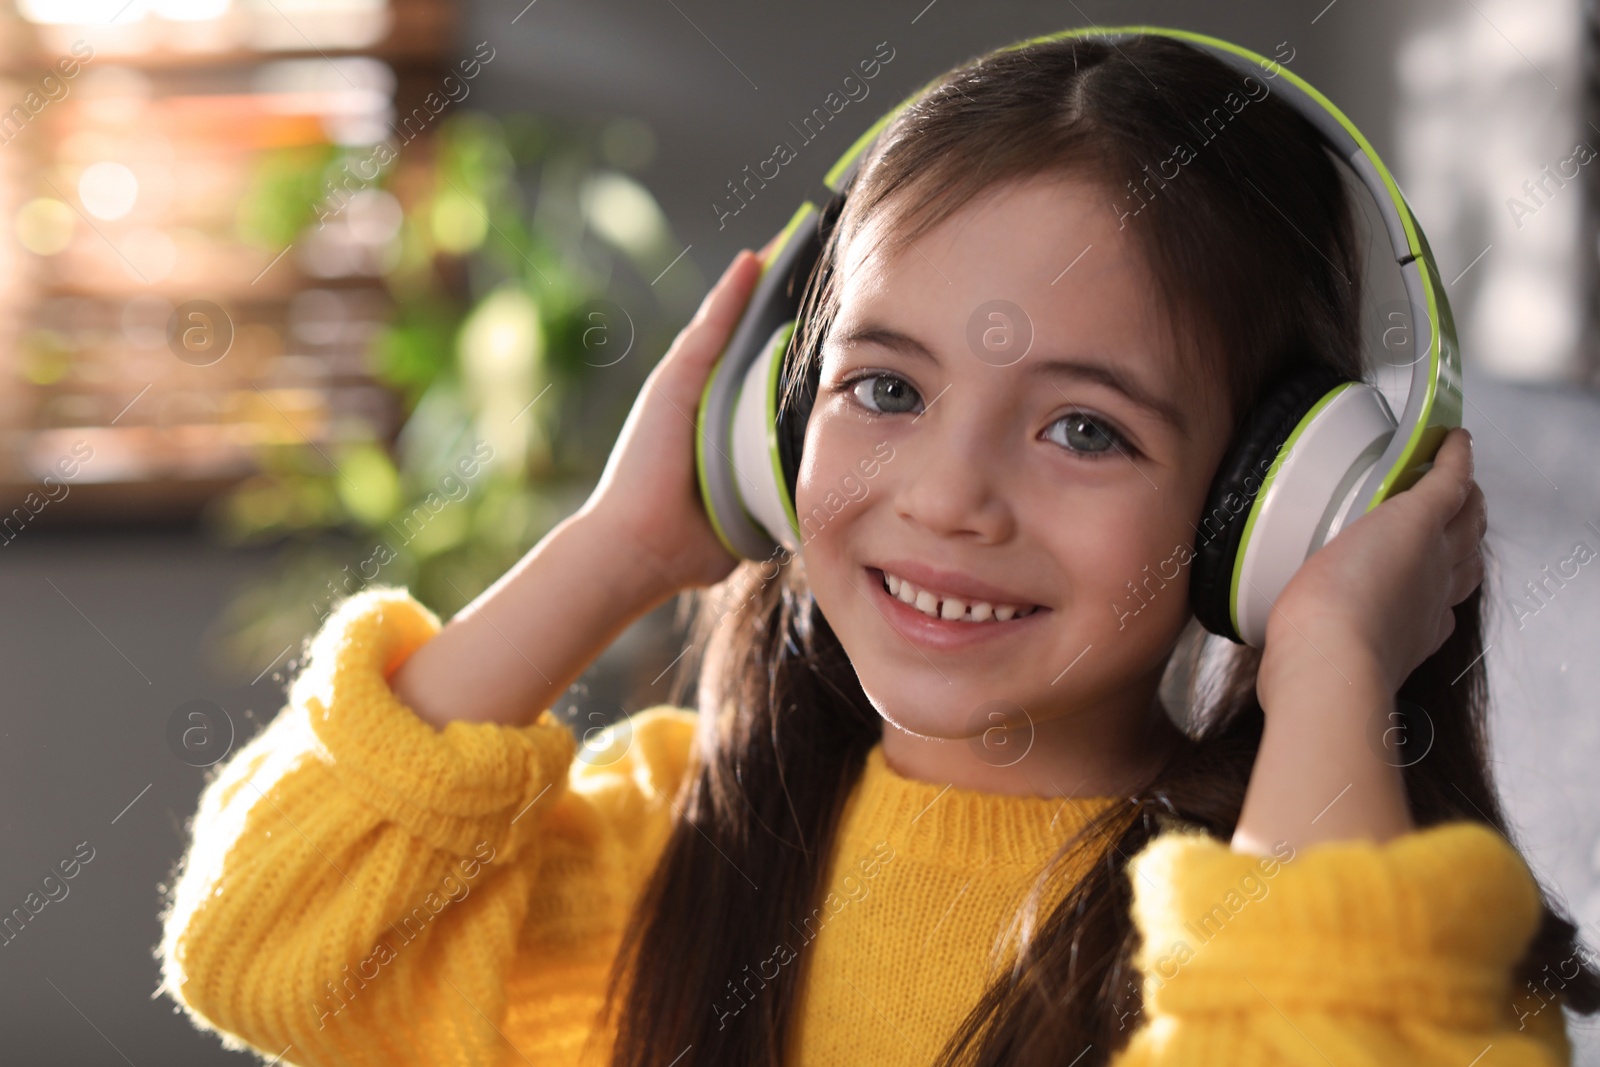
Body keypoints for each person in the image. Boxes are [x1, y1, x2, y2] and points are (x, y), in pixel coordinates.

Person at [157, 33, 1598, 1066]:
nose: (948, 497)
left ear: (1275, 509)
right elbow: (260, 942)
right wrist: (616, 547)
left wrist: (1334, 660)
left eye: (1086, 429)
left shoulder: (1372, 949)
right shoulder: (662, 855)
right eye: (885, 391)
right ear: (769, 437)